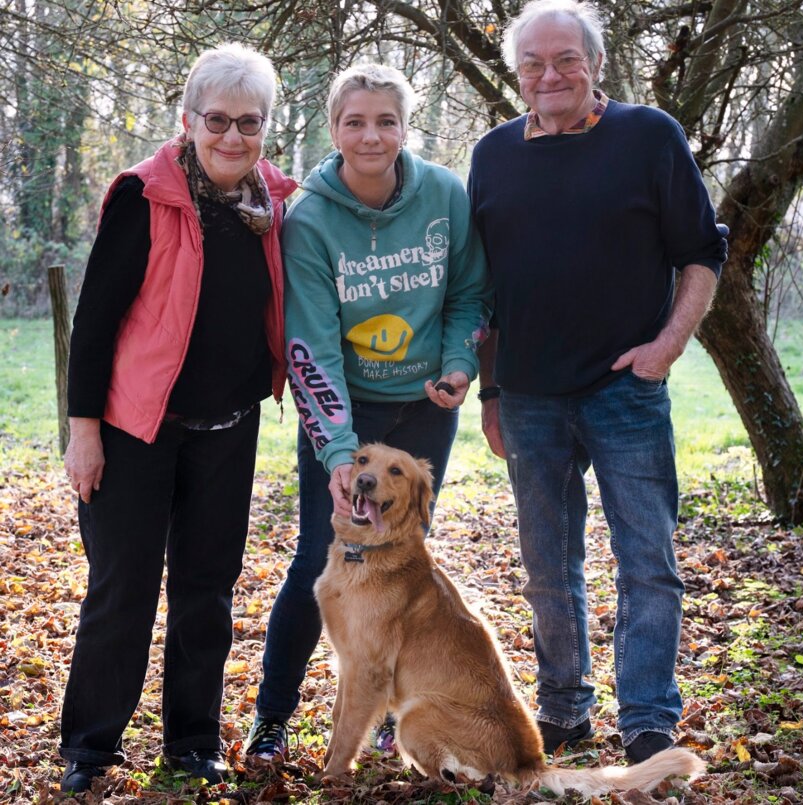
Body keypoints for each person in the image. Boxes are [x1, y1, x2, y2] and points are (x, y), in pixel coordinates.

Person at [468, 0, 728, 764]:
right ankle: (565, 709)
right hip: (528, 396)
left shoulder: (649, 136)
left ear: (595, 65)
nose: (551, 76)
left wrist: (667, 347)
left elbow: (701, 253)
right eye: (534, 65)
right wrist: (489, 393)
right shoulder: (493, 153)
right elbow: (483, 288)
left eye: (566, 60)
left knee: (647, 560)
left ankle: (647, 717)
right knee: (549, 569)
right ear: (517, 75)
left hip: (626, 390)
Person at [58, 43, 297, 793]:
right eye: (217, 120)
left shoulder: (276, 205)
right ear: (189, 120)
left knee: (206, 589)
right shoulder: (148, 195)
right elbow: (94, 323)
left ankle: (193, 740)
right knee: (122, 587)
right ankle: (91, 748)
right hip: (134, 428)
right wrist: (84, 430)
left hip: (228, 426)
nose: (233, 136)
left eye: (249, 122)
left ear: (266, 128)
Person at [246, 63, 491, 760]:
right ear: (334, 129)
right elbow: (310, 345)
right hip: (345, 411)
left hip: (422, 411)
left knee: (403, 565)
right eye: (355, 121)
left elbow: (470, 294)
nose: (371, 135)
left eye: (386, 120)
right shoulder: (312, 218)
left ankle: (390, 713)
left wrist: (458, 363)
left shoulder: (445, 195)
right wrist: (337, 454)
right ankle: (273, 716)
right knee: (318, 561)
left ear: (405, 128)